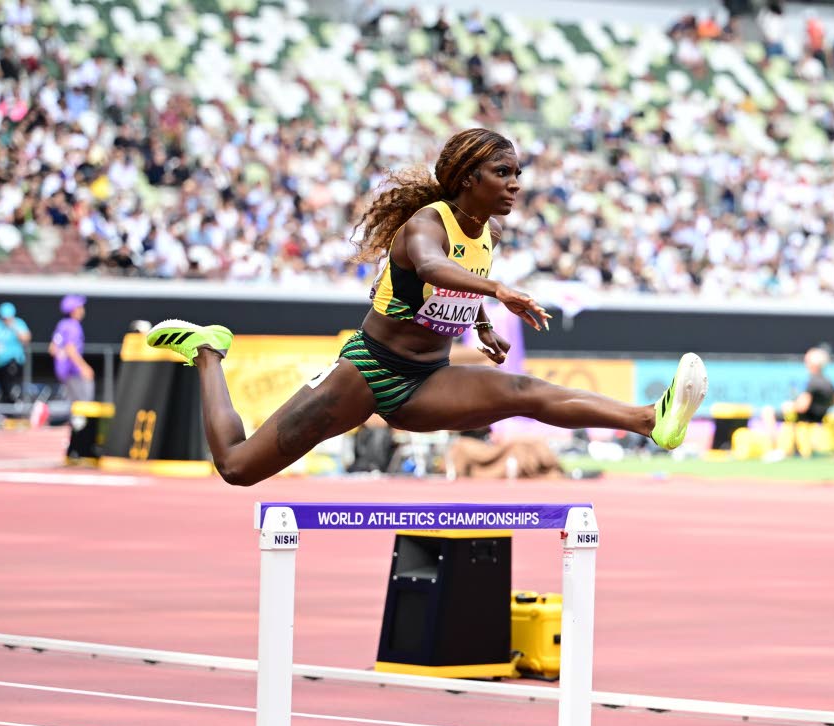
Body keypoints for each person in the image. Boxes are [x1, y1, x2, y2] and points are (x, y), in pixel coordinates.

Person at [143, 128, 708, 486]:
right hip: (367, 372)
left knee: (524, 393)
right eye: (502, 173)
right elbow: (435, 269)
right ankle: (210, 351)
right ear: (467, 178)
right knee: (238, 468)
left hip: (426, 380)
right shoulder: (424, 224)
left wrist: (483, 324)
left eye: (518, 174)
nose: (515, 185)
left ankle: (650, 422)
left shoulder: (485, 235)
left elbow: (456, 284)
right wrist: (499, 293)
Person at [49, 295, 95, 403]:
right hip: (73, 371)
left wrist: (62, 358)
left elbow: (52, 349)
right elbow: (70, 349)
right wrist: (84, 367)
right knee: (83, 406)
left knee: (72, 405)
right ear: (74, 310)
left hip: (64, 371)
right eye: (80, 307)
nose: (82, 310)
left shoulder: (62, 324)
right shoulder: (73, 326)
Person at [0, 302, 32, 411]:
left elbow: (26, 338)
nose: (5, 320)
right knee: (3, 387)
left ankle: (14, 409)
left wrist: (13, 327)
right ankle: (7, 411)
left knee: (10, 386)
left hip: (13, 361)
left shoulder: (18, 323)